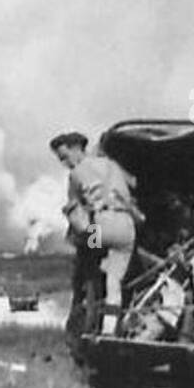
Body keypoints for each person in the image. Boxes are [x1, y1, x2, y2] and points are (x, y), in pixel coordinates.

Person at [50, 132, 142, 335]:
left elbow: (74, 211)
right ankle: (111, 328)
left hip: (100, 224)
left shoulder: (75, 174)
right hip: (126, 225)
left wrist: (82, 234)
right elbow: (134, 183)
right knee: (115, 280)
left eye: (64, 157)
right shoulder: (112, 164)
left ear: (76, 149)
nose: (64, 163)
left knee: (88, 265)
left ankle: (89, 322)